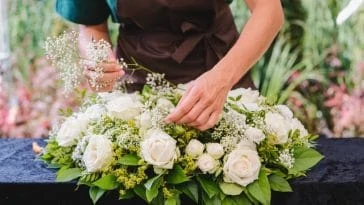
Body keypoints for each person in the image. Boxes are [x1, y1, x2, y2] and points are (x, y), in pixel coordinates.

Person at [56, 0, 284, 131]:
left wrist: (221, 80)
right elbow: (91, 24)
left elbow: (269, 11)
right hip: (137, 88)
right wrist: (98, 60)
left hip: (222, 76)